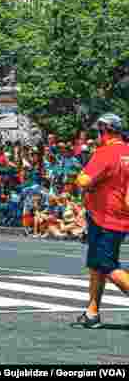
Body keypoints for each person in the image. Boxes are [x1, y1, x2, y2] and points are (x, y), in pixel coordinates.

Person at [74, 113, 129, 328]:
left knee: (107, 266)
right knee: (97, 265)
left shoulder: (105, 153)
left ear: (104, 130)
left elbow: (84, 180)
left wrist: (82, 174)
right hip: (120, 216)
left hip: (105, 218)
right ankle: (92, 313)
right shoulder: (127, 150)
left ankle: (92, 312)